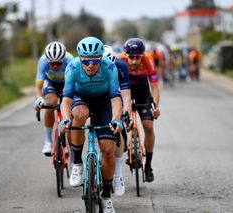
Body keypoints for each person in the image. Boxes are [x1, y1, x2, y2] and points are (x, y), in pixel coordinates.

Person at [59, 37, 123, 213]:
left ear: (100, 58)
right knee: (78, 115)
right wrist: (65, 119)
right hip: (81, 99)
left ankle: (106, 196)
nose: (90, 65)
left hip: (103, 102)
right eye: (86, 61)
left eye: (94, 60)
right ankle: (77, 162)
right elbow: (66, 100)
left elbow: (116, 98)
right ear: (80, 59)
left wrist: (116, 119)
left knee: (108, 150)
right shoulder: (72, 67)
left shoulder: (109, 67)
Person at [117, 38, 160, 183]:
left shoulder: (148, 59)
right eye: (131, 57)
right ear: (125, 55)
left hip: (142, 92)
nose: (135, 61)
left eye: (138, 57)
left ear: (142, 55)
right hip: (125, 92)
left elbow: (154, 86)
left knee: (148, 126)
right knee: (119, 123)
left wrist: (156, 106)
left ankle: (148, 166)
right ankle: (122, 138)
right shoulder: (119, 60)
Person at [33, 41, 74, 156]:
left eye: (58, 63)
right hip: (51, 83)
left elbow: (75, 83)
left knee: (70, 110)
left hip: (67, 84)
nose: (55, 66)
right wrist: (39, 99)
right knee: (50, 103)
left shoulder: (70, 60)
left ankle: (71, 148)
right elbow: (38, 87)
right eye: (52, 63)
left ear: (63, 60)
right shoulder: (42, 61)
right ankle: (48, 141)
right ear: (47, 60)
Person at [103, 45, 131, 196]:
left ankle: (118, 174)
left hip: (115, 96)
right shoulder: (93, 66)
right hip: (98, 96)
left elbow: (126, 95)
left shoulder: (120, 65)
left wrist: (126, 115)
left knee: (117, 127)